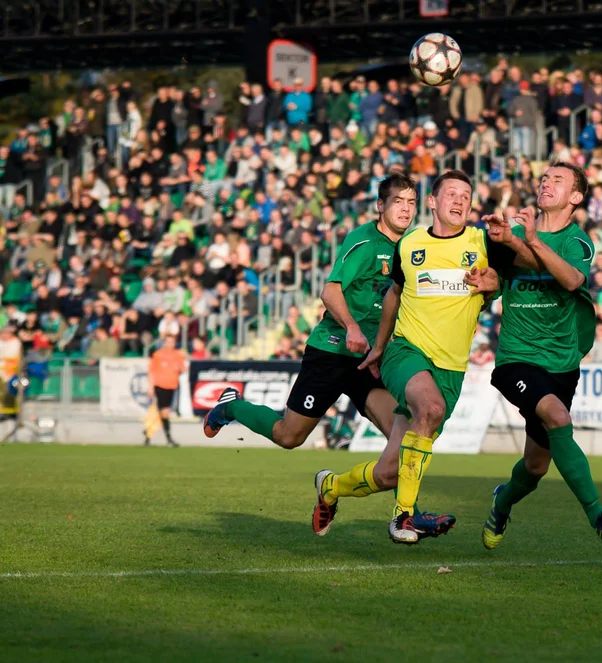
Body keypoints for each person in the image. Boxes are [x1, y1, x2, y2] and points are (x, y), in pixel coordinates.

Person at [201, 174, 455, 540]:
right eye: (397, 201)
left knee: (404, 441)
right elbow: (329, 289)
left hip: (372, 358)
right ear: (380, 206)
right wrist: (352, 327)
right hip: (333, 350)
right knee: (289, 436)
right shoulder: (364, 240)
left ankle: (397, 512)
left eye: (411, 202)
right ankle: (230, 406)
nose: (405, 208)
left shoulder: (413, 247)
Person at [467, 162, 602, 549]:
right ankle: (599, 516)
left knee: (535, 467)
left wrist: (531, 241)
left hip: (561, 364)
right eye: (544, 178)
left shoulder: (578, 243)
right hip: (516, 358)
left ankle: (501, 505)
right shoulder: (511, 232)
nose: (546, 183)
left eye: (558, 180)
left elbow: (572, 279)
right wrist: (485, 282)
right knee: (558, 416)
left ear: (576, 197)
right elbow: (495, 280)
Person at [330, 170, 495, 544]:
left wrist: (494, 283)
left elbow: (499, 282)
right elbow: (393, 296)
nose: (459, 200)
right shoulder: (410, 245)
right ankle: (403, 518)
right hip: (406, 351)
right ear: (433, 202)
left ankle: (332, 488)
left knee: (391, 472)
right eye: (451, 193)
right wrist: (381, 346)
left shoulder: (482, 242)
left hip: (451, 367)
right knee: (430, 409)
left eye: (466, 195)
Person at [145, 334, 186, 447]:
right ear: (164, 343)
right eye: (168, 342)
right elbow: (151, 371)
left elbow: (183, 369)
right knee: (164, 412)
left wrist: (179, 366)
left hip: (172, 386)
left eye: (172, 342)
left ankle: (148, 434)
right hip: (160, 385)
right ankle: (168, 438)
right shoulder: (158, 355)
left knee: (162, 412)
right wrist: (151, 387)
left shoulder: (177, 355)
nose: (170, 344)